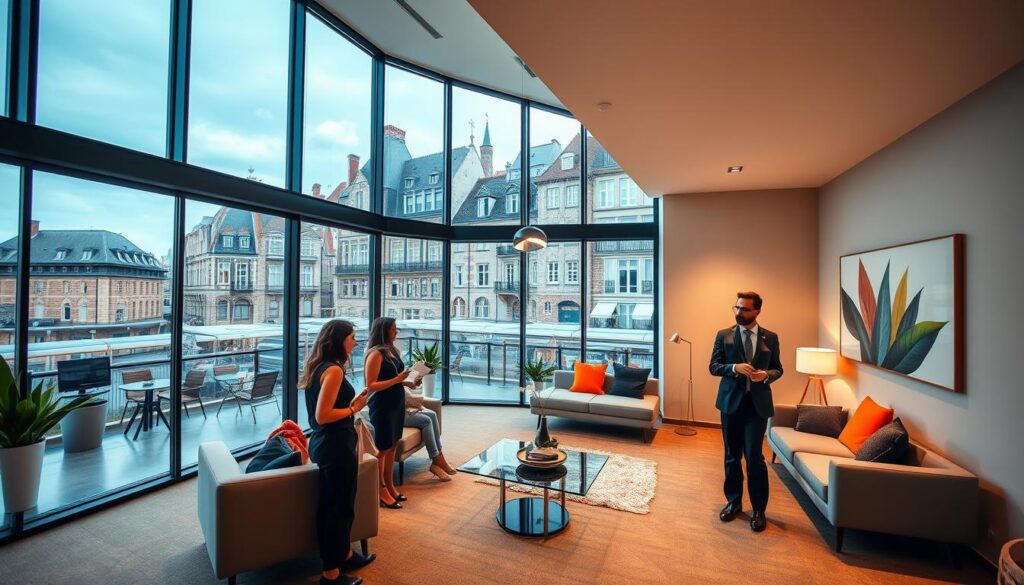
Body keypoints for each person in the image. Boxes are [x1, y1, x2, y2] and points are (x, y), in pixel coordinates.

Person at [301, 319, 376, 585]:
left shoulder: (319, 367)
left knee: (341, 505)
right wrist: (354, 409)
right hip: (334, 445)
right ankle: (331, 574)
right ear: (340, 340)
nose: (356, 342)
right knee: (337, 509)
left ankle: (344, 554)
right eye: (353, 337)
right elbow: (323, 416)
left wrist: (352, 404)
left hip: (329, 443)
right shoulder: (333, 371)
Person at [709, 291, 783, 533]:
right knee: (732, 455)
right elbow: (714, 367)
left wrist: (766, 376)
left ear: (757, 311)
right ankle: (734, 502)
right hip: (731, 404)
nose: (739, 312)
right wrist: (734, 367)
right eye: (737, 308)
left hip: (757, 406)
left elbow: (778, 369)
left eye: (744, 309)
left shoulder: (770, 338)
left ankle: (759, 509)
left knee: (754, 458)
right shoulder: (724, 335)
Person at [363, 317, 416, 508]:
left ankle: (390, 485)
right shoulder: (375, 354)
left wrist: (406, 381)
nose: (396, 332)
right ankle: (380, 489)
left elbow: (393, 377)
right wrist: (397, 380)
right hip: (382, 405)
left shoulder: (391, 351)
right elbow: (371, 385)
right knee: (383, 448)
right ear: (384, 331)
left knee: (393, 445)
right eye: (393, 329)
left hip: (396, 401)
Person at [403, 387, 458, 481]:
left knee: (432, 414)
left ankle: (439, 456)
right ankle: (436, 460)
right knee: (426, 421)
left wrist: (411, 383)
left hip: (402, 406)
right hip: (394, 411)